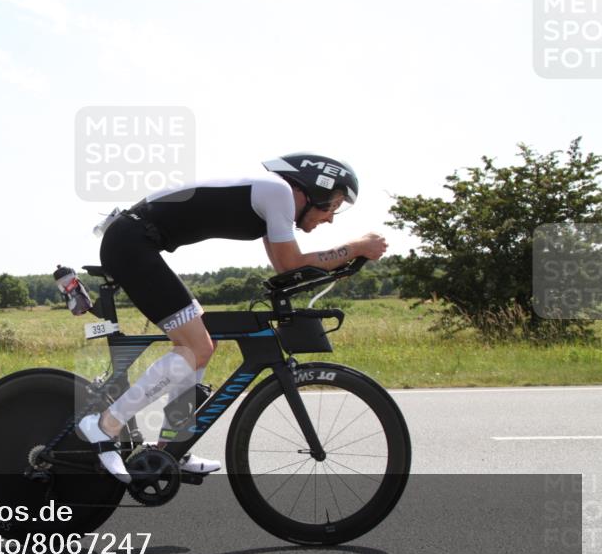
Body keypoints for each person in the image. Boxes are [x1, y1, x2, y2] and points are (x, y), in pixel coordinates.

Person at [77, 153, 389, 483]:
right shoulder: (280, 192)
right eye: (333, 205)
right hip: (131, 243)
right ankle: (103, 426)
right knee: (195, 347)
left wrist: (344, 263)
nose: (330, 219)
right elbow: (291, 262)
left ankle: (171, 447)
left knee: (200, 349)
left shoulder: (273, 198)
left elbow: (286, 270)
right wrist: (355, 247)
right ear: (316, 190)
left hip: (136, 242)